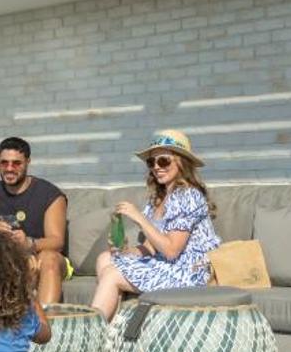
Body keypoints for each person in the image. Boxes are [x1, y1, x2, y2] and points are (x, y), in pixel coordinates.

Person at [89, 127, 222, 320]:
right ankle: (115, 326)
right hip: (166, 264)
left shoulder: (189, 196)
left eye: (164, 161)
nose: (156, 167)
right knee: (105, 258)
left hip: (189, 272)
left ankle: (92, 333)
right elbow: (150, 248)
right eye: (152, 162)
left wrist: (140, 218)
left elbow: (171, 251)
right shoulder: (157, 199)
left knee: (111, 275)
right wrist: (123, 251)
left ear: (181, 163)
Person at [0, 136, 69, 305]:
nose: (9, 168)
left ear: (28, 162)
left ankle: (48, 326)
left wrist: (29, 244)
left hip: (44, 256)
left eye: (16, 163)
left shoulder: (50, 194)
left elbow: (57, 241)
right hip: (7, 259)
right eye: (4, 163)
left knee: (48, 258)